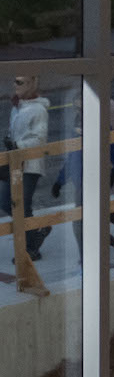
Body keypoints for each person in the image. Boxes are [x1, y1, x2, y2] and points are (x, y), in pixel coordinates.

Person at [52, 97, 114, 263]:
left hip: (99, 177)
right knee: (86, 220)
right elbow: (71, 158)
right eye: (76, 108)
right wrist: (60, 181)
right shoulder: (78, 128)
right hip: (82, 182)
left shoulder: (102, 125)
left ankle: (104, 252)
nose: (77, 112)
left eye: (80, 108)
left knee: (85, 222)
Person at [3, 73, 52, 264]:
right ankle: (36, 232)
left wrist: (18, 145)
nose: (15, 84)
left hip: (30, 164)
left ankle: (30, 248)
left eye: (20, 82)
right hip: (14, 162)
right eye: (14, 80)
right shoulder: (17, 107)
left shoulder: (39, 110)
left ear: (32, 84)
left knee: (21, 203)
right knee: (6, 201)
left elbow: (39, 138)